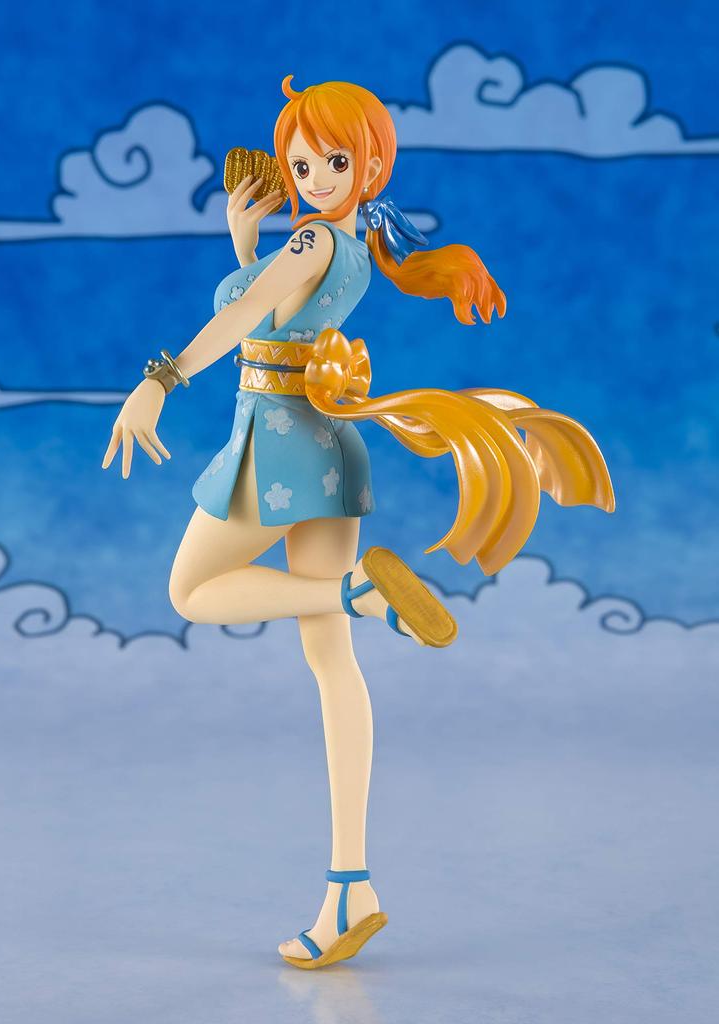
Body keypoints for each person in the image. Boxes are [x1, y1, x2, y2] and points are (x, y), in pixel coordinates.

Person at [102, 75, 614, 969]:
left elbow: (248, 313)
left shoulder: (311, 238)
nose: (313, 178)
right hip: (330, 449)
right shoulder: (350, 243)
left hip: (276, 450)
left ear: (370, 163)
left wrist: (158, 380)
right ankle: (349, 887)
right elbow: (272, 304)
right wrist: (243, 243)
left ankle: (356, 591)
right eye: (302, 164)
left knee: (190, 591)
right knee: (331, 662)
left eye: (332, 161)